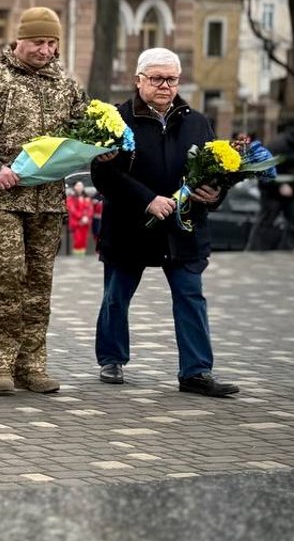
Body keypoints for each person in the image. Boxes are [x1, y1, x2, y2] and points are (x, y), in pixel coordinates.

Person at [0, 6, 89, 396]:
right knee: (8, 273)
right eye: (38, 42)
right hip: (3, 197)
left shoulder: (67, 84)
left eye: (51, 43)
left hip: (48, 200)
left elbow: (83, 129)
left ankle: (32, 364)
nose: (45, 50)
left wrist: (101, 148)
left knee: (39, 282)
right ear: (19, 40)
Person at [91, 48, 239, 397]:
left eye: (171, 79)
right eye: (156, 78)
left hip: (183, 228)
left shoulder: (197, 121)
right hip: (130, 227)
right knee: (116, 297)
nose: (165, 86)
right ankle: (112, 358)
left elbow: (216, 171)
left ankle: (196, 371)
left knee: (191, 296)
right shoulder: (115, 120)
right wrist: (147, 200)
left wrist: (213, 194)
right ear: (138, 80)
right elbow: (103, 175)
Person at [247, 122, 294, 251]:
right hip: (272, 192)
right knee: (266, 222)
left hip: (291, 193)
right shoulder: (279, 145)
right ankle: (254, 251)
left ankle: (287, 249)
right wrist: (280, 186)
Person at [66, 181, 94, 255]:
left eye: (81, 185)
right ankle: (77, 259)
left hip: (85, 222)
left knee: (84, 241)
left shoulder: (86, 197)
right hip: (76, 223)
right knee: (77, 241)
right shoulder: (71, 198)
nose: (80, 187)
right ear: (74, 187)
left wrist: (87, 217)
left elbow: (90, 208)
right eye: (78, 185)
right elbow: (72, 209)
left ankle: (82, 258)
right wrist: (81, 217)